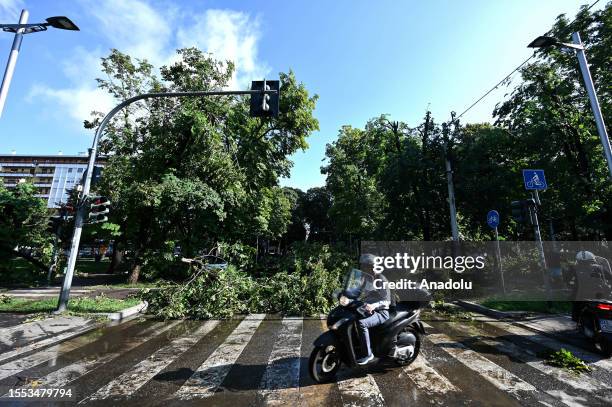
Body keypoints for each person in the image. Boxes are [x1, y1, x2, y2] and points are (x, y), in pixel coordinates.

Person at [355, 253, 391, 365]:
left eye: (365, 266)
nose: (363, 268)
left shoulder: (381, 279)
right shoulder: (366, 278)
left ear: (372, 266)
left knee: (361, 323)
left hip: (381, 312)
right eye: (362, 266)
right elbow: (359, 291)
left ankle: (368, 354)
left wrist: (373, 306)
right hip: (367, 308)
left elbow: (387, 301)